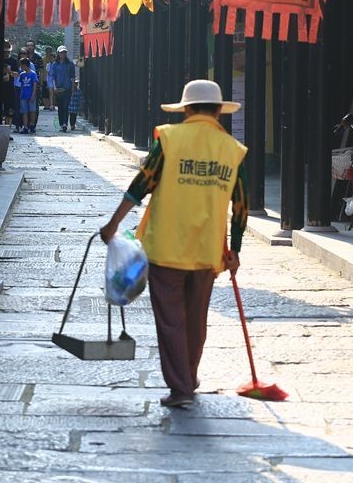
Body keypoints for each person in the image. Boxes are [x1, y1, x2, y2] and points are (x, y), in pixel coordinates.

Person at [99, 80, 248, 409]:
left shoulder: (170, 139)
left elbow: (141, 185)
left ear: (188, 110)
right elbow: (240, 205)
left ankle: (181, 386)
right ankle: (188, 375)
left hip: (166, 247)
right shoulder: (231, 150)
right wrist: (235, 249)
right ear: (219, 113)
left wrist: (113, 224)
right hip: (208, 250)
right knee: (196, 320)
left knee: (171, 320)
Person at [49, 45, 77, 131]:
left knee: (65, 106)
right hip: (59, 88)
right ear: (58, 53)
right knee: (60, 107)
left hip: (67, 88)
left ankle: (65, 123)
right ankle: (61, 124)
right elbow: (53, 77)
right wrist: (54, 87)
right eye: (61, 52)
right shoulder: (55, 64)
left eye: (64, 52)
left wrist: (73, 89)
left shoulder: (70, 64)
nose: (63, 54)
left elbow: (73, 77)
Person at [16, 58, 39, 133]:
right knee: (24, 112)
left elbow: (35, 85)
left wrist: (33, 95)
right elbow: (21, 84)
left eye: (21, 65)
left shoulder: (33, 74)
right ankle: (25, 127)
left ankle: (32, 124)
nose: (21, 67)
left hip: (31, 94)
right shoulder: (22, 74)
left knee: (32, 110)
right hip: (23, 95)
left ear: (25, 65)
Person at [2, 41, 19, 125]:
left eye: (7, 51)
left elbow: (17, 74)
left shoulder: (13, 61)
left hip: (9, 88)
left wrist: (9, 71)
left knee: (10, 111)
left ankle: (8, 129)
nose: (5, 53)